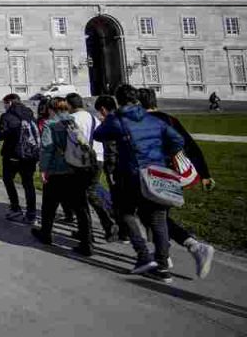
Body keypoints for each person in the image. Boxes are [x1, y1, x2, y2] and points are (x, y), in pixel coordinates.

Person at [93, 84, 184, 282]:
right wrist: (164, 156)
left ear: (118, 101)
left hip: (131, 174)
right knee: (158, 219)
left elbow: (98, 135)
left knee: (123, 212)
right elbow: (178, 140)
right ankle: (162, 267)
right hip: (156, 173)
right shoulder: (153, 119)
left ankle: (143, 255)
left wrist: (112, 116)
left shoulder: (117, 120)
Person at [138, 87, 217, 279]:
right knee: (154, 215)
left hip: (155, 175)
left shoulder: (142, 122)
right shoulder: (170, 119)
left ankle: (193, 247)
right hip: (172, 175)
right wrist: (205, 174)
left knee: (154, 216)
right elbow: (191, 147)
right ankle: (165, 252)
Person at [30, 98, 94, 256]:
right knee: (81, 207)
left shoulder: (50, 124)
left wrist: (43, 169)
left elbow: (47, 149)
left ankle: (46, 234)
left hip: (57, 170)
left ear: (51, 109)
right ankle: (87, 242)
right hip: (76, 169)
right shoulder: (73, 122)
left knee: (49, 205)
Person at [67, 93, 117, 242]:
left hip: (82, 162)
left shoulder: (72, 120)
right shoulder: (93, 118)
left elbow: (70, 143)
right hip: (98, 159)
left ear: (69, 105)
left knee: (80, 198)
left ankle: (87, 232)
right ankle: (107, 224)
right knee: (91, 193)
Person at [0, 93, 38, 223]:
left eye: (5, 103)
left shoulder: (7, 116)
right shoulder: (29, 113)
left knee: (8, 180)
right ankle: (31, 213)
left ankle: (15, 207)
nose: (4, 106)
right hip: (30, 155)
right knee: (28, 184)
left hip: (12, 154)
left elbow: (1, 136)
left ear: (9, 103)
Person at [93, 95, 128, 243]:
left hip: (114, 164)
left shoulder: (111, 121)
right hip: (130, 162)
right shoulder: (126, 118)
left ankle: (124, 232)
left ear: (103, 109)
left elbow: (97, 135)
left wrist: (104, 121)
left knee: (118, 199)